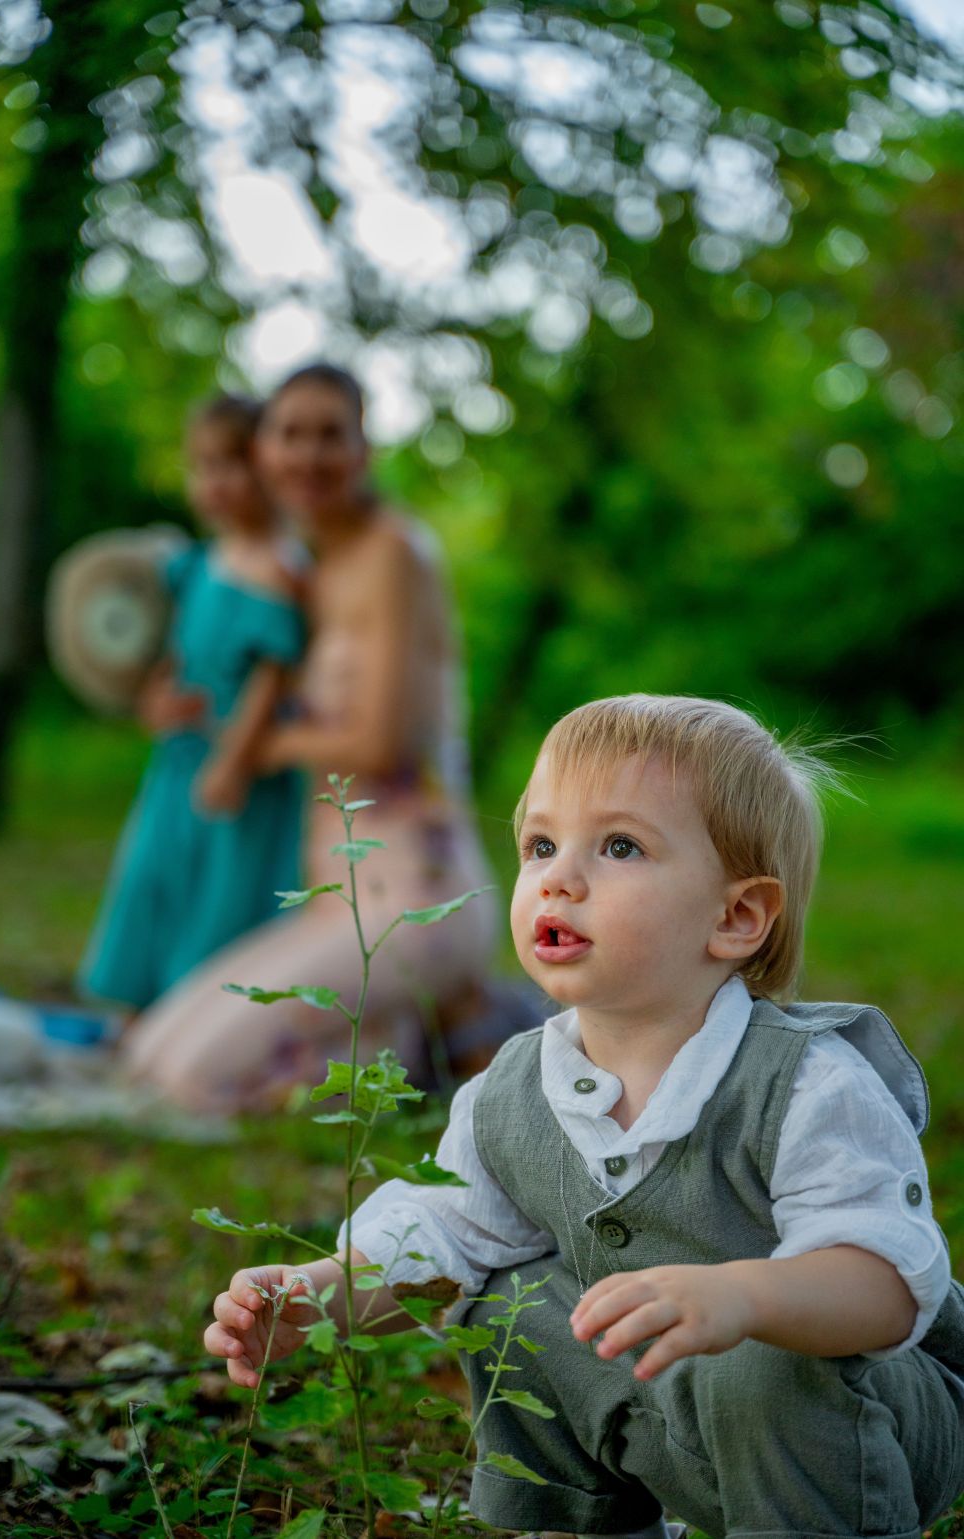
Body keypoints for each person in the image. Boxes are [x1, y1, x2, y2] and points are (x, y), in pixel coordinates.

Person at [204, 693, 964, 1538]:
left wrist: (743, 1296)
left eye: (620, 845)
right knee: (507, 1304)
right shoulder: (517, 1084)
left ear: (736, 916)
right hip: (667, 1414)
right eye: (540, 844)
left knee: (761, 1365)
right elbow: (442, 1231)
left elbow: (887, 1284)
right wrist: (321, 1295)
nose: (560, 876)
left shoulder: (808, 1082)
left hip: (857, 1428)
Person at [124, 365, 499, 1109]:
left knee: (188, 1081)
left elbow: (375, 744)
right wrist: (173, 701)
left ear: (365, 449)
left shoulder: (396, 552)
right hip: (340, 902)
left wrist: (256, 751)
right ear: (263, 451)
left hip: (417, 898)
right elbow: (246, 681)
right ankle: (426, 1040)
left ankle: (455, 1032)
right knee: (145, 1052)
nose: (308, 455)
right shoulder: (308, 574)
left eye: (332, 434)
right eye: (289, 433)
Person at [80, 395, 306, 1012]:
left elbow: (272, 677)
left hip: (236, 770)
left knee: (220, 894)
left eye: (233, 463)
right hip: (177, 760)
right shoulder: (197, 564)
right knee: (154, 878)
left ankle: (194, 1013)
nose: (217, 482)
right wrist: (152, 699)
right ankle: (135, 1007)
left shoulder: (278, 566)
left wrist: (234, 759)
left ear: (267, 467)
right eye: (202, 466)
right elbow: (165, 651)